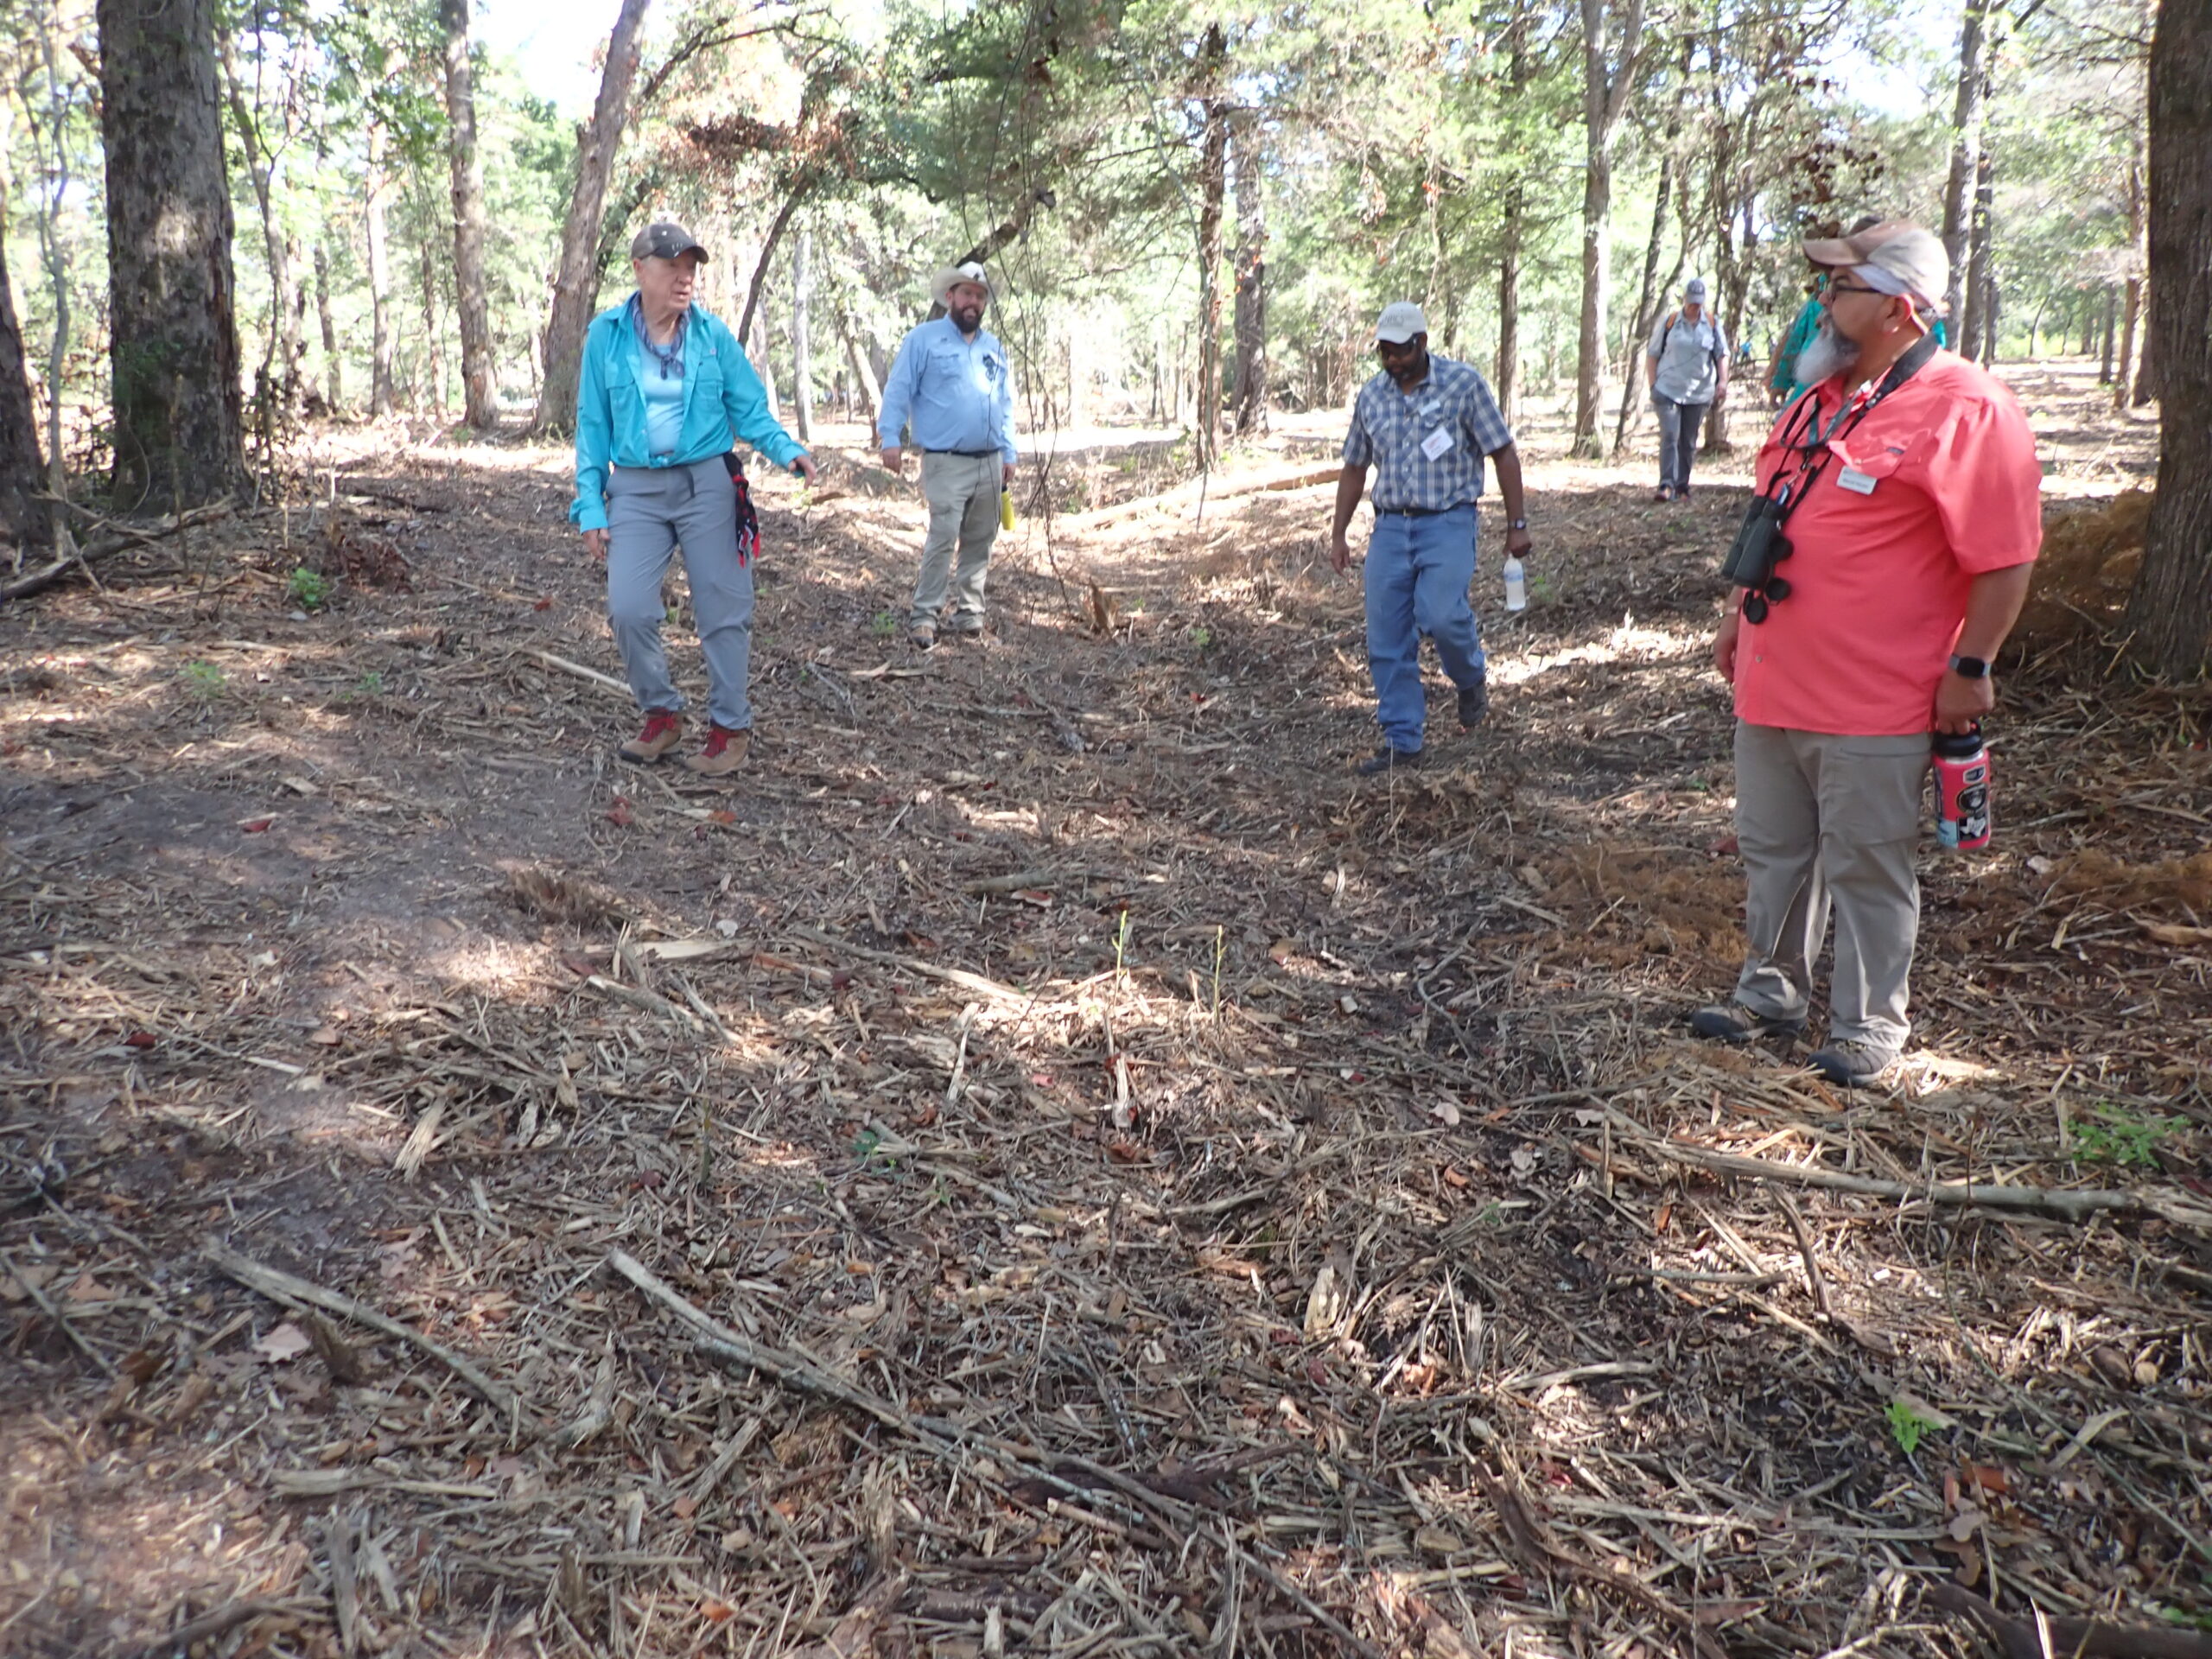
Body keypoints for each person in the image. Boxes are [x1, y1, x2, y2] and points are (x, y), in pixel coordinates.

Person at [1692, 219, 2041, 1087]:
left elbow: (2004, 559)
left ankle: (1865, 1027)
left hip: (1873, 699)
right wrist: (1737, 613)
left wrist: (1972, 667)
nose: (1819, 304)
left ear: (1899, 308)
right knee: (1775, 853)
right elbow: (1772, 521)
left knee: (1866, 860)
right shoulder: (1815, 400)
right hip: (1775, 687)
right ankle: (1767, 997)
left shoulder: (1967, 406)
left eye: (1837, 290)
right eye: (1820, 289)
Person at [571, 220, 816, 778]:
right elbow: (592, 426)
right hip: (633, 486)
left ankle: (730, 725)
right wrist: (590, 505)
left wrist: (786, 450)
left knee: (722, 609)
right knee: (629, 607)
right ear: (640, 269)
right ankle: (662, 715)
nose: (685, 279)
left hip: (707, 482)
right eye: (672, 267)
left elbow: (750, 408)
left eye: (691, 269)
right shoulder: (606, 337)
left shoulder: (710, 336)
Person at [1330, 302, 1533, 775]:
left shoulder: (1462, 385)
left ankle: (1469, 677)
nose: (1392, 361)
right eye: (1384, 352)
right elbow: (1355, 465)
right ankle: (1403, 741)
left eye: (1400, 351)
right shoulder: (1372, 396)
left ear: (1422, 343)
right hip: (1391, 526)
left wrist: (1516, 523)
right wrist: (1339, 532)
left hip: (1448, 520)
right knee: (1386, 636)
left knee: (1441, 614)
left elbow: (1502, 450)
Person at [877, 260, 1019, 650]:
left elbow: (1006, 402)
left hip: (990, 460)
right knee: (943, 535)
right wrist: (890, 435)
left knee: (981, 539)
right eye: (966, 294)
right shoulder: (923, 340)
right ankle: (925, 615)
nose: (972, 302)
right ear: (950, 297)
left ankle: (970, 614)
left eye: (979, 296)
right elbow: (899, 388)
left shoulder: (993, 347)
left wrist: (1009, 452)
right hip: (945, 459)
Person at [1646, 277, 1729, 501]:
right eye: (1691, 302)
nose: (1695, 306)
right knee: (1670, 436)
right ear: (1684, 300)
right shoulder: (1670, 322)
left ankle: (1682, 486)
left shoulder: (1712, 323)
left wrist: (1722, 382)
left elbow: (1722, 355)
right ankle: (1666, 485)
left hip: (1698, 392)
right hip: (1668, 388)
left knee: (1688, 441)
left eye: (1698, 302)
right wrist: (1653, 385)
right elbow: (1652, 354)